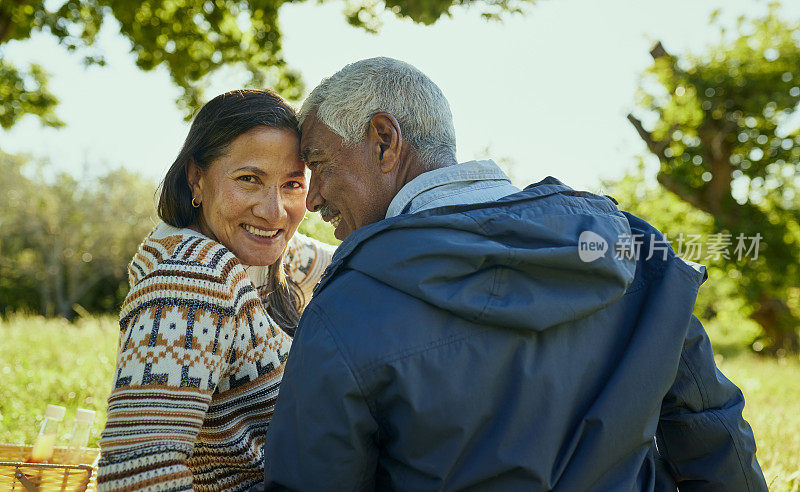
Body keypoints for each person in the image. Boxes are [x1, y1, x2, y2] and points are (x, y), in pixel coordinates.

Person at [261, 58, 768, 491]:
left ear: (384, 141)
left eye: (319, 164)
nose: (313, 199)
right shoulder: (633, 251)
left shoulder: (346, 307)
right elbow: (714, 435)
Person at [97, 89, 334, 491]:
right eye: (249, 179)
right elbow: (135, 478)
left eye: (292, 184)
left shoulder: (263, 254)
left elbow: (354, 265)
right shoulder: (192, 280)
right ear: (196, 178)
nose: (273, 210)